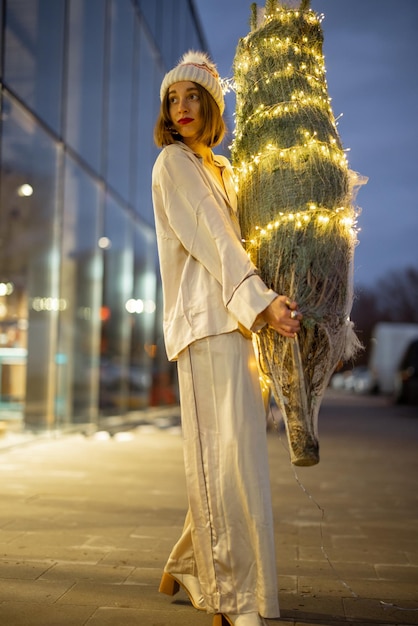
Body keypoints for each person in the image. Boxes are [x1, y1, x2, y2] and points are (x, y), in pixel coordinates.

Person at [152, 51, 302, 626]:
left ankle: (190, 564)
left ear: (211, 105)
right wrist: (261, 303)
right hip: (206, 325)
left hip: (238, 328)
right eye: (173, 99)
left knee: (233, 460)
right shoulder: (172, 163)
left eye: (193, 97)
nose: (182, 108)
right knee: (225, 462)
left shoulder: (222, 169)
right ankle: (233, 600)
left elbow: (248, 238)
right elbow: (215, 239)